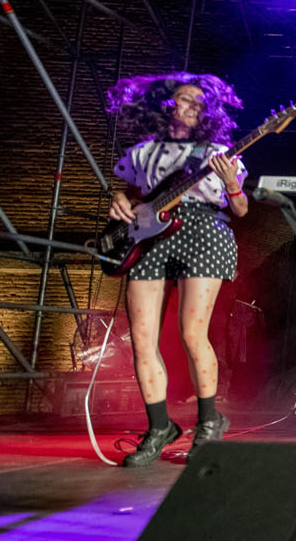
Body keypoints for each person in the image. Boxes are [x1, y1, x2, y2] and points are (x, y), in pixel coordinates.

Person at [105, 73, 248, 466]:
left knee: (191, 332)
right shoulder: (143, 152)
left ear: (207, 113)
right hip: (150, 236)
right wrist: (120, 198)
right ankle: (159, 427)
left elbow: (240, 209)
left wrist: (232, 183)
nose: (188, 106)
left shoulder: (217, 152)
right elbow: (138, 195)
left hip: (203, 232)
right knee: (141, 340)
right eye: (183, 98)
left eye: (198, 103)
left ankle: (209, 421)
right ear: (166, 103)